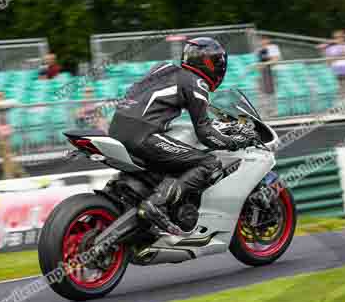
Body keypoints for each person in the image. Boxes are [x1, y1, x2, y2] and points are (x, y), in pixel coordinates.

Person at [109, 37, 257, 236]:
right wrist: (234, 142)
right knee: (208, 163)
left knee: (172, 161)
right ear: (208, 63)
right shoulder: (196, 82)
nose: (219, 67)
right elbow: (205, 134)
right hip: (143, 134)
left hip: (118, 128)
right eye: (217, 62)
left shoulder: (163, 68)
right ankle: (156, 204)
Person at [318, 30, 345, 104]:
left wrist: (335, 56)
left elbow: (344, 53)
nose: (339, 38)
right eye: (336, 37)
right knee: (341, 89)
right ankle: (342, 105)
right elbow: (327, 59)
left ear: (343, 37)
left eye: (340, 37)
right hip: (337, 71)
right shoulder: (331, 48)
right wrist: (324, 48)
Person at [256, 36, 281, 118]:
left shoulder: (272, 47)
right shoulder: (259, 50)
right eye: (261, 40)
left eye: (264, 39)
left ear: (268, 40)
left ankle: (273, 111)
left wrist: (264, 64)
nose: (262, 41)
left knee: (271, 92)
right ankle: (265, 112)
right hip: (263, 72)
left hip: (271, 71)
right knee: (263, 92)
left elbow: (276, 59)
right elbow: (259, 61)